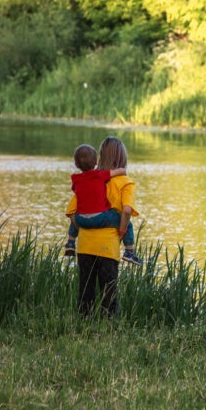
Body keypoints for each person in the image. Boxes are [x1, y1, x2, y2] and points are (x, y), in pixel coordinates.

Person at [65, 136, 141, 317]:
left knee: (85, 292)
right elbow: (126, 211)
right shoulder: (125, 182)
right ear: (122, 157)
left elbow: (73, 213)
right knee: (109, 295)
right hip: (108, 246)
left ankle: (84, 324)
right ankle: (109, 327)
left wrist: (84, 228)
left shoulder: (89, 180)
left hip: (85, 245)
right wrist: (121, 233)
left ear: (100, 156)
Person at [64, 143, 133, 258]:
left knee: (77, 213)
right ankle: (129, 251)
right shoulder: (100, 176)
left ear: (76, 164)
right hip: (102, 224)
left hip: (82, 226)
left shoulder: (76, 180)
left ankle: (71, 241)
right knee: (123, 219)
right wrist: (121, 233)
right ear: (95, 161)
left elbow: (71, 211)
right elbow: (126, 211)